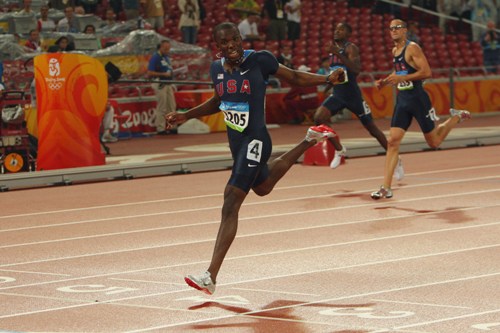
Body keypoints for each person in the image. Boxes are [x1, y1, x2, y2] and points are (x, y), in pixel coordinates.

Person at [165, 22, 344, 295]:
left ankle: (210, 275)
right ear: (218, 46)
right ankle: (310, 139)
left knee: (231, 200)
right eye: (224, 42)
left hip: (256, 139)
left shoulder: (259, 60)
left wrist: (327, 79)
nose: (231, 45)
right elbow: (218, 101)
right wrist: (186, 114)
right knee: (262, 186)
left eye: (234, 39)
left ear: (240, 38)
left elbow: (293, 77)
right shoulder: (216, 69)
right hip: (237, 143)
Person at [371, 19, 471, 200]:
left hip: (418, 100)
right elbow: (400, 74)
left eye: (397, 27)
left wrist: (405, 78)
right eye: (391, 28)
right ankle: (386, 187)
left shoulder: (413, 48)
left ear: (405, 30)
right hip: (402, 101)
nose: (393, 30)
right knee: (393, 141)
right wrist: (385, 82)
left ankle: (455, 118)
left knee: (433, 142)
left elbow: (427, 72)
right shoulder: (395, 51)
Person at [313, 22, 392, 171]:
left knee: (372, 129)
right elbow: (338, 72)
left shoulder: (350, 48)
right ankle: (339, 149)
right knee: (319, 118)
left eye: (341, 30)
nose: (336, 31)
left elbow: (356, 70)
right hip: (338, 94)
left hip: (353, 96)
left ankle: (394, 157)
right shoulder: (332, 51)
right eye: (335, 29)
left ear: (348, 34)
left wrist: (338, 53)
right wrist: (328, 85)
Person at [147, 40, 177, 135]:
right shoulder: (155, 57)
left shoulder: (167, 57)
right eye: (165, 48)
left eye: (168, 48)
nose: (167, 50)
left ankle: (171, 126)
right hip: (160, 83)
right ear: (161, 47)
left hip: (168, 83)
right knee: (162, 107)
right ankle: (160, 128)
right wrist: (163, 74)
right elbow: (150, 72)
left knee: (171, 106)